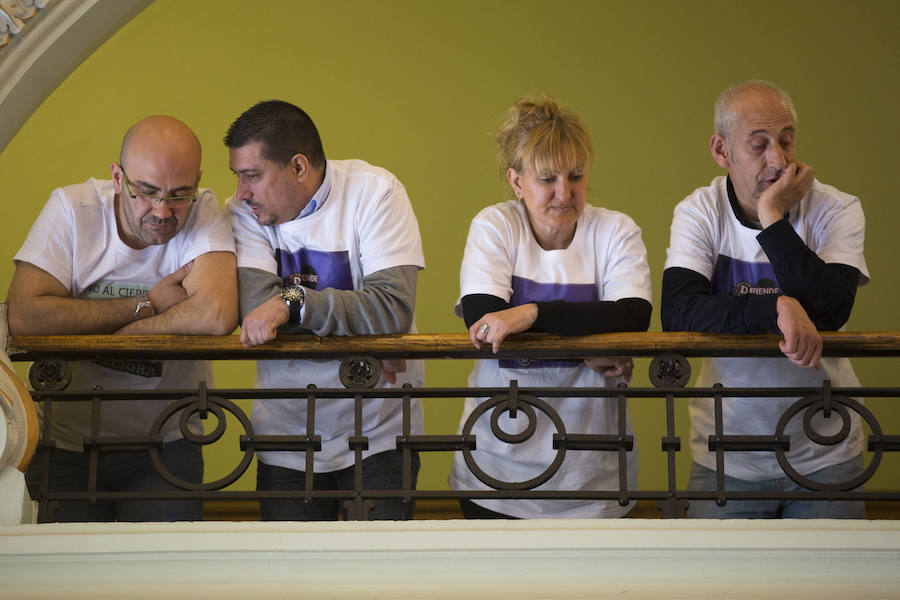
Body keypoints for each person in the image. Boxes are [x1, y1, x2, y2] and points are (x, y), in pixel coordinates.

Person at [8, 115, 238, 521]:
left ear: (197, 182)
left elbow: (216, 313)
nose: (163, 211)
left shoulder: (203, 210)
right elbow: (26, 316)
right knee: (60, 579)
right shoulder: (72, 209)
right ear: (118, 178)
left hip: (168, 446)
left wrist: (103, 329)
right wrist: (146, 305)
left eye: (179, 194)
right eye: (146, 192)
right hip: (63, 444)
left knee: (162, 581)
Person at [662, 81, 869, 518]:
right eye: (759, 145)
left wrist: (772, 216)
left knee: (832, 588)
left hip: (827, 453)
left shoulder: (837, 208)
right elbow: (678, 312)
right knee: (719, 588)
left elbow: (831, 312)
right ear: (722, 151)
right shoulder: (698, 212)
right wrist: (777, 307)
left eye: (786, 141)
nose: (778, 159)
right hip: (725, 454)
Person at [448, 95, 652, 519]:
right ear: (517, 181)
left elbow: (633, 317)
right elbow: (484, 322)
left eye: (576, 175)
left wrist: (530, 313)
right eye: (547, 179)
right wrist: (587, 344)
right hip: (496, 471)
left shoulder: (615, 231)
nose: (565, 192)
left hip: (594, 475)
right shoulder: (496, 226)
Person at [224, 100, 425, 521]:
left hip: (380, 431)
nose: (242, 192)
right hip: (285, 434)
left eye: (253, 176)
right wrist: (363, 337)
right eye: (238, 177)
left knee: (377, 580)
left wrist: (291, 301)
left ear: (298, 167)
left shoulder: (376, 192)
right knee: (293, 583)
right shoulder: (244, 212)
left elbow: (392, 309)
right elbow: (257, 314)